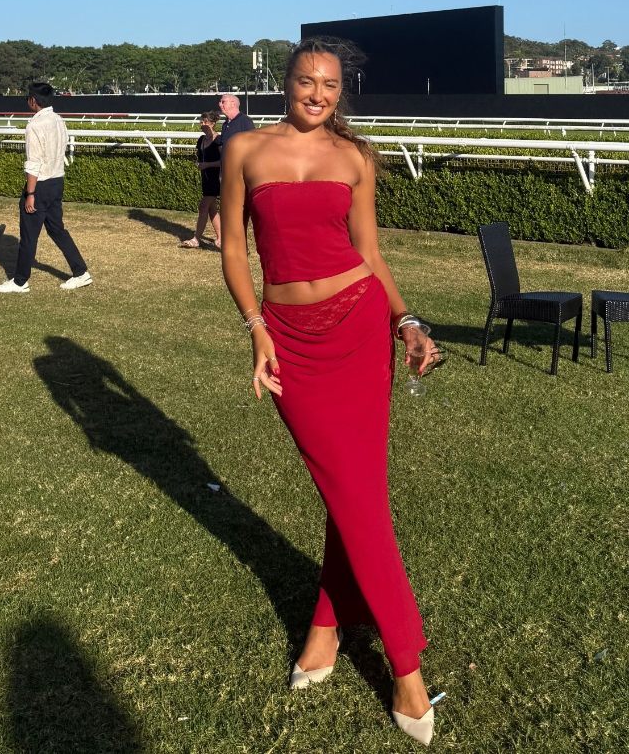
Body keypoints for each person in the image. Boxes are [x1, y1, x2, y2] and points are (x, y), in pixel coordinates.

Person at [221, 37, 442, 746]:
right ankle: (399, 655)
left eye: (330, 84)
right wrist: (256, 327)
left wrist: (404, 319)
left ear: (341, 91)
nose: (317, 93)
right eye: (306, 80)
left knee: (356, 492)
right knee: (352, 490)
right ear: (283, 82)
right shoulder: (245, 151)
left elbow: (369, 252)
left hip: (356, 332)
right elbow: (233, 248)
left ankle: (347, 637)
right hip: (291, 340)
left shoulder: (356, 158)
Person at [0, 82, 92, 294]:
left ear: (33, 101)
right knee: (57, 230)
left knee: (29, 235)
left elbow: (34, 163)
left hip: (40, 185)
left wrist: (30, 193)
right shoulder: (58, 120)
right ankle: (81, 271)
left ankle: (20, 281)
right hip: (57, 181)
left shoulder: (35, 125)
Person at [180, 110, 222, 249]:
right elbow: (200, 157)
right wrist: (199, 164)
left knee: (203, 206)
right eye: (201, 121)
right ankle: (221, 238)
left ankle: (196, 239)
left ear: (213, 123)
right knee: (211, 209)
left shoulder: (219, 140)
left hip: (216, 179)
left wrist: (207, 165)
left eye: (205, 122)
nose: (202, 124)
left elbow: (224, 161)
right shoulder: (201, 140)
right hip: (205, 178)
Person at [217, 93, 254, 164]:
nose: (220, 104)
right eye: (220, 102)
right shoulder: (225, 124)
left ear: (233, 104)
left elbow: (252, 145)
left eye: (223, 102)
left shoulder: (245, 121)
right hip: (226, 167)